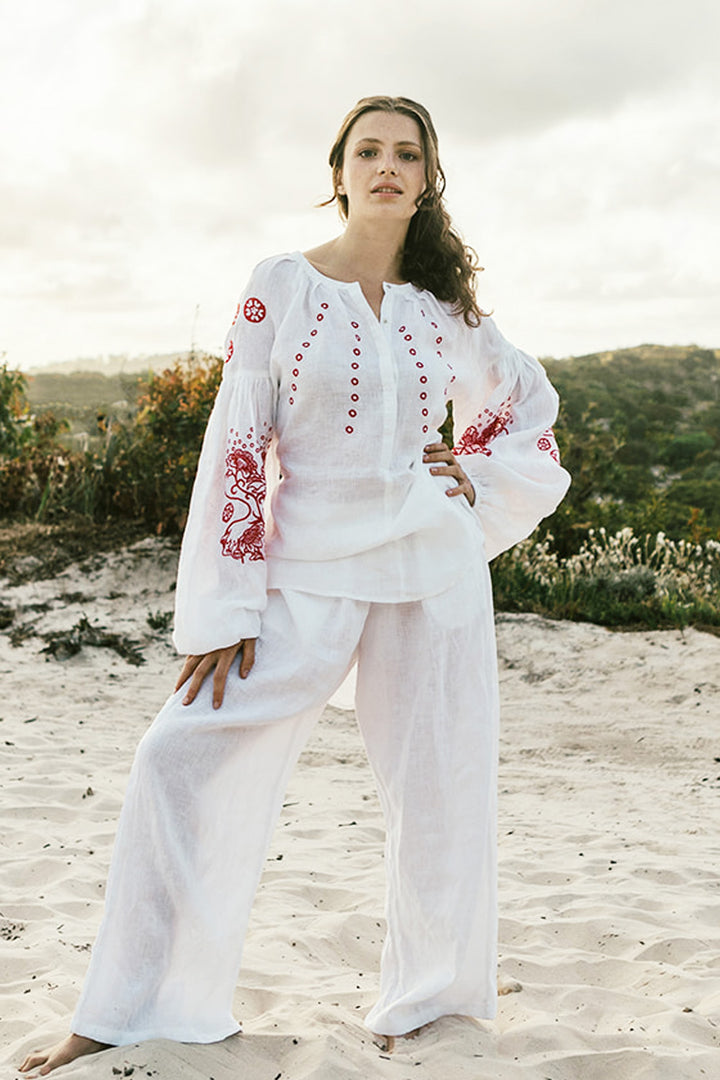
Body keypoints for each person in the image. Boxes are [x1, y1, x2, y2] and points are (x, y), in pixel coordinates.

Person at [19, 94, 570, 1076]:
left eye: (408, 154)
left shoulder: (445, 308)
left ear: (427, 179)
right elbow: (239, 442)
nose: (388, 166)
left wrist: (475, 476)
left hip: (433, 573)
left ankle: (436, 1003)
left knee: (442, 787)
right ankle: (129, 1009)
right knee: (177, 757)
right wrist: (226, 604)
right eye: (370, 151)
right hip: (306, 571)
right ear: (340, 173)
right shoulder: (283, 284)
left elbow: (525, 404)